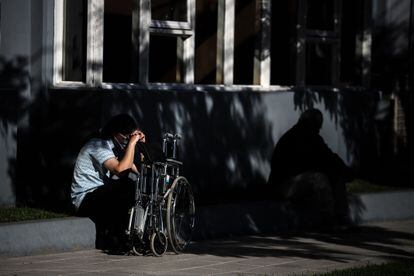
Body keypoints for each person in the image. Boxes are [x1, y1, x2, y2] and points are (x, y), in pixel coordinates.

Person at [71, 113, 146, 251]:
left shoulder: (114, 148)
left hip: (98, 195)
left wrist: (140, 146)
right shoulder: (97, 145)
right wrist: (132, 143)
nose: (128, 140)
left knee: (130, 184)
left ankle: (120, 236)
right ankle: (114, 239)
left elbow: (139, 169)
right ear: (116, 133)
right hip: (84, 199)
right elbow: (120, 170)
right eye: (127, 136)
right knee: (124, 186)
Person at [267, 108, 354, 228]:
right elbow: (318, 160)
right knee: (318, 178)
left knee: (335, 176)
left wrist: (344, 171)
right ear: (309, 123)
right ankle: (329, 221)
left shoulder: (311, 137)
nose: (318, 130)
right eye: (316, 126)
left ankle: (342, 218)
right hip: (283, 186)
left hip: (295, 183)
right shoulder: (295, 138)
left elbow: (328, 157)